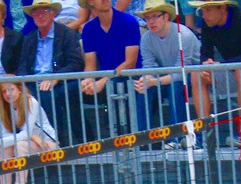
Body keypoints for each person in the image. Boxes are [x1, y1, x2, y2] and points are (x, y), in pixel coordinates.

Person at [192, 0, 241, 147]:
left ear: (222, 8)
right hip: (233, 70)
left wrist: (221, 65)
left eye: (208, 10)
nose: (204, 15)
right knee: (197, 74)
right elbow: (205, 53)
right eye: (202, 11)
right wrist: (206, 64)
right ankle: (204, 134)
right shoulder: (207, 24)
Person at [17, 0, 84, 145]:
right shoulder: (29, 39)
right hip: (34, 82)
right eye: (36, 12)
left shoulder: (67, 34)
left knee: (48, 96)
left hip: (61, 80)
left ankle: (57, 141)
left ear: (53, 13)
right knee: (23, 95)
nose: (40, 16)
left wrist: (55, 78)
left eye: (45, 11)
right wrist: (23, 85)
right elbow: (22, 66)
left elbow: (76, 63)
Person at [135, 0, 200, 129]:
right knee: (144, 87)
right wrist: (146, 79)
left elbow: (182, 72)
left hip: (193, 79)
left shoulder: (183, 35)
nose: (151, 22)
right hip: (166, 78)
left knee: (176, 85)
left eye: (155, 16)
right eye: (147, 18)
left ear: (166, 17)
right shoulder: (146, 38)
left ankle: (175, 138)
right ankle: (141, 137)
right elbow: (148, 66)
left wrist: (153, 81)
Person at [0, 80, 56, 184]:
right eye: (4, 91)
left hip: (48, 143)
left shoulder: (30, 102)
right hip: (30, 141)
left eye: (11, 89)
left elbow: (26, 133)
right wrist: (32, 137)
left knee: (19, 145)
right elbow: (6, 135)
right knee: (6, 147)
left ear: (19, 89)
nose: (8, 94)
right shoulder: (4, 107)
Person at [80, 0, 141, 133]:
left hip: (131, 76)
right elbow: (90, 64)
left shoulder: (129, 22)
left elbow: (130, 63)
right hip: (107, 77)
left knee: (115, 83)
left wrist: (103, 81)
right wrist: (87, 80)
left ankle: (125, 135)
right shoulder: (89, 29)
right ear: (90, 2)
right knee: (72, 90)